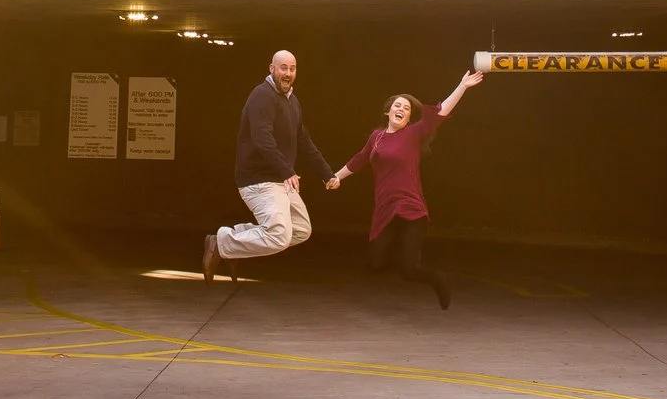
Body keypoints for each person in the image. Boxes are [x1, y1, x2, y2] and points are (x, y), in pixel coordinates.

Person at [326, 68, 482, 308]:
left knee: (409, 270)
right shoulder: (376, 137)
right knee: (376, 263)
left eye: (407, 108)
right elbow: (359, 160)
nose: (401, 109)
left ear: (409, 118)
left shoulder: (413, 133)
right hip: (386, 211)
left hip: (411, 209)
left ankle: (437, 280)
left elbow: (441, 111)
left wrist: (462, 86)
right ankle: (399, 247)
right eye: (398, 106)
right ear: (389, 111)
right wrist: (335, 177)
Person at [203, 49, 333, 281]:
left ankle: (231, 242)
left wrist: (326, 173)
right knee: (279, 236)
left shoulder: (292, 101)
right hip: (259, 180)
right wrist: (287, 171)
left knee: (301, 229)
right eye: (283, 68)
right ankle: (222, 243)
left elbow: (304, 140)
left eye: (292, 69)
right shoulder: (261, 96)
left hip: (280, 181)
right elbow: (262, 139)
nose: (288, 73)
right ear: (271, 69)